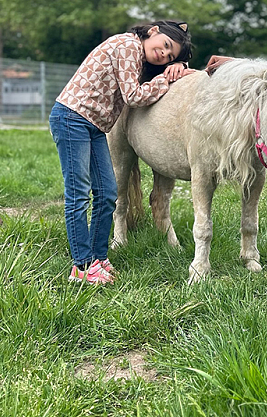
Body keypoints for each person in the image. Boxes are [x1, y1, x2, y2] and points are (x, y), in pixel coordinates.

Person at [49, 20, 193, 285]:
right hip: (72, 119)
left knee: (107, 193)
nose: (164, 54)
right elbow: (133, 97)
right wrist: (165, 78)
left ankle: (98, 259)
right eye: (165, 46)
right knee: (79, 195)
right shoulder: (127, 45)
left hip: (92, 124)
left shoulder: (139, 56)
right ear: (153, 31)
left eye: (170, 55)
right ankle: (82, 267)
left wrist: (179, 67)